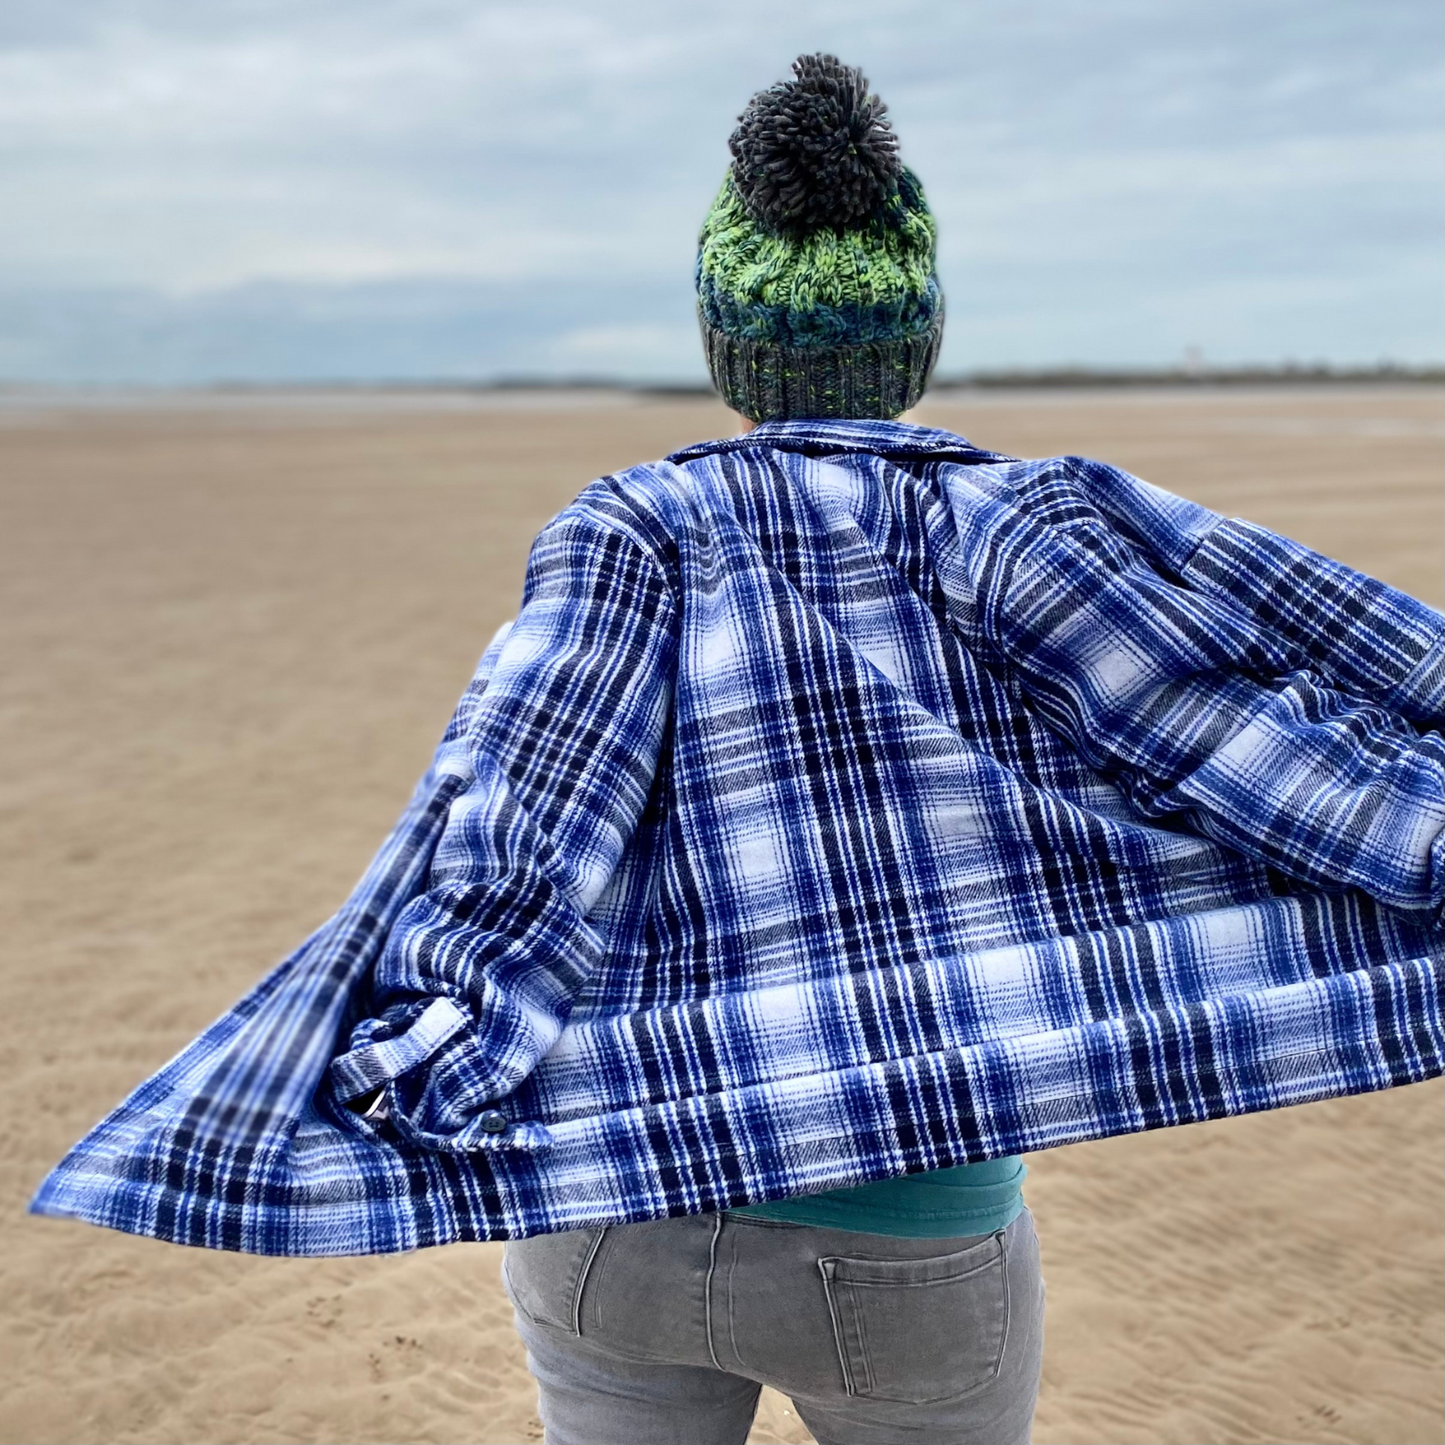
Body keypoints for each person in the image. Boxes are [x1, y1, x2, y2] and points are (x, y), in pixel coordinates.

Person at [34, 52, 1442, 1445]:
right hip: (909, 1239)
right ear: (918, 335)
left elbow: (523, 841)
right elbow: (1248, 742)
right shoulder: (1018, 524)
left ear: (725, 345)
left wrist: (429, 1069)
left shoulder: (630, 532)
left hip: (616, 1208)